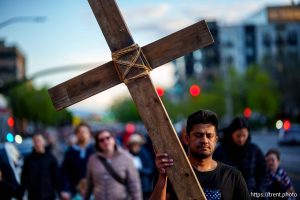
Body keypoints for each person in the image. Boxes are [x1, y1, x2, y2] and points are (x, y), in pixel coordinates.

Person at [150, 109, 250, 200]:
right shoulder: (171, 173)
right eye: (198, 135)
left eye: (209, 136)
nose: (204, 141)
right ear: (187, 139)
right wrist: (163, 177)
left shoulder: (233, 176)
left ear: (216, 140)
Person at [213, 117, 268, 193]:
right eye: (238, 136)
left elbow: (264, 174)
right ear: (232, 134)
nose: (241, 139)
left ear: (248, 134)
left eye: (244, 135)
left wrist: (259, 192)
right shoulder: (221, 151)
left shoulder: (255, 151)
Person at [85, 130, 142, 200]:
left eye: (108, 138)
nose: (105, 141)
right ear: (98, 143)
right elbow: (89, 184)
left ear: (113, 139)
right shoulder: (93, 159)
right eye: (101, 140)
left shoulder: (126, 157)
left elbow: (134, 184)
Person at [20, 133, 60, 200]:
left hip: (49, 195)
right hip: (33, 196)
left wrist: (60, 192)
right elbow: (24, 178)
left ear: (44, 142)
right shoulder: (29, 160)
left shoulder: (51, 158)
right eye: (35, 141)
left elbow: (56, 177)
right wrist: (20, 194)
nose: (38, 143)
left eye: (39, 141)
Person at [61, 123, 94, 199]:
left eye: (85, 132)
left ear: (89, 134)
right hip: (74, 192)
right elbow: (65, 171)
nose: (82, 134)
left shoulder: (95, 151)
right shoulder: (71, 151)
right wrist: (65, 189)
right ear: (76, 134)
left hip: (93, 192)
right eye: (80, 132)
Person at [127, 133, 155, 200]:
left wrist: (139, 171)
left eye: (136, 144)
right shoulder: (127, 155)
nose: (135, 146)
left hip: (144, 186)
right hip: (131, 187)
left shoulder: (145, 154)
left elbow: (151, 169)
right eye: (133, 144)